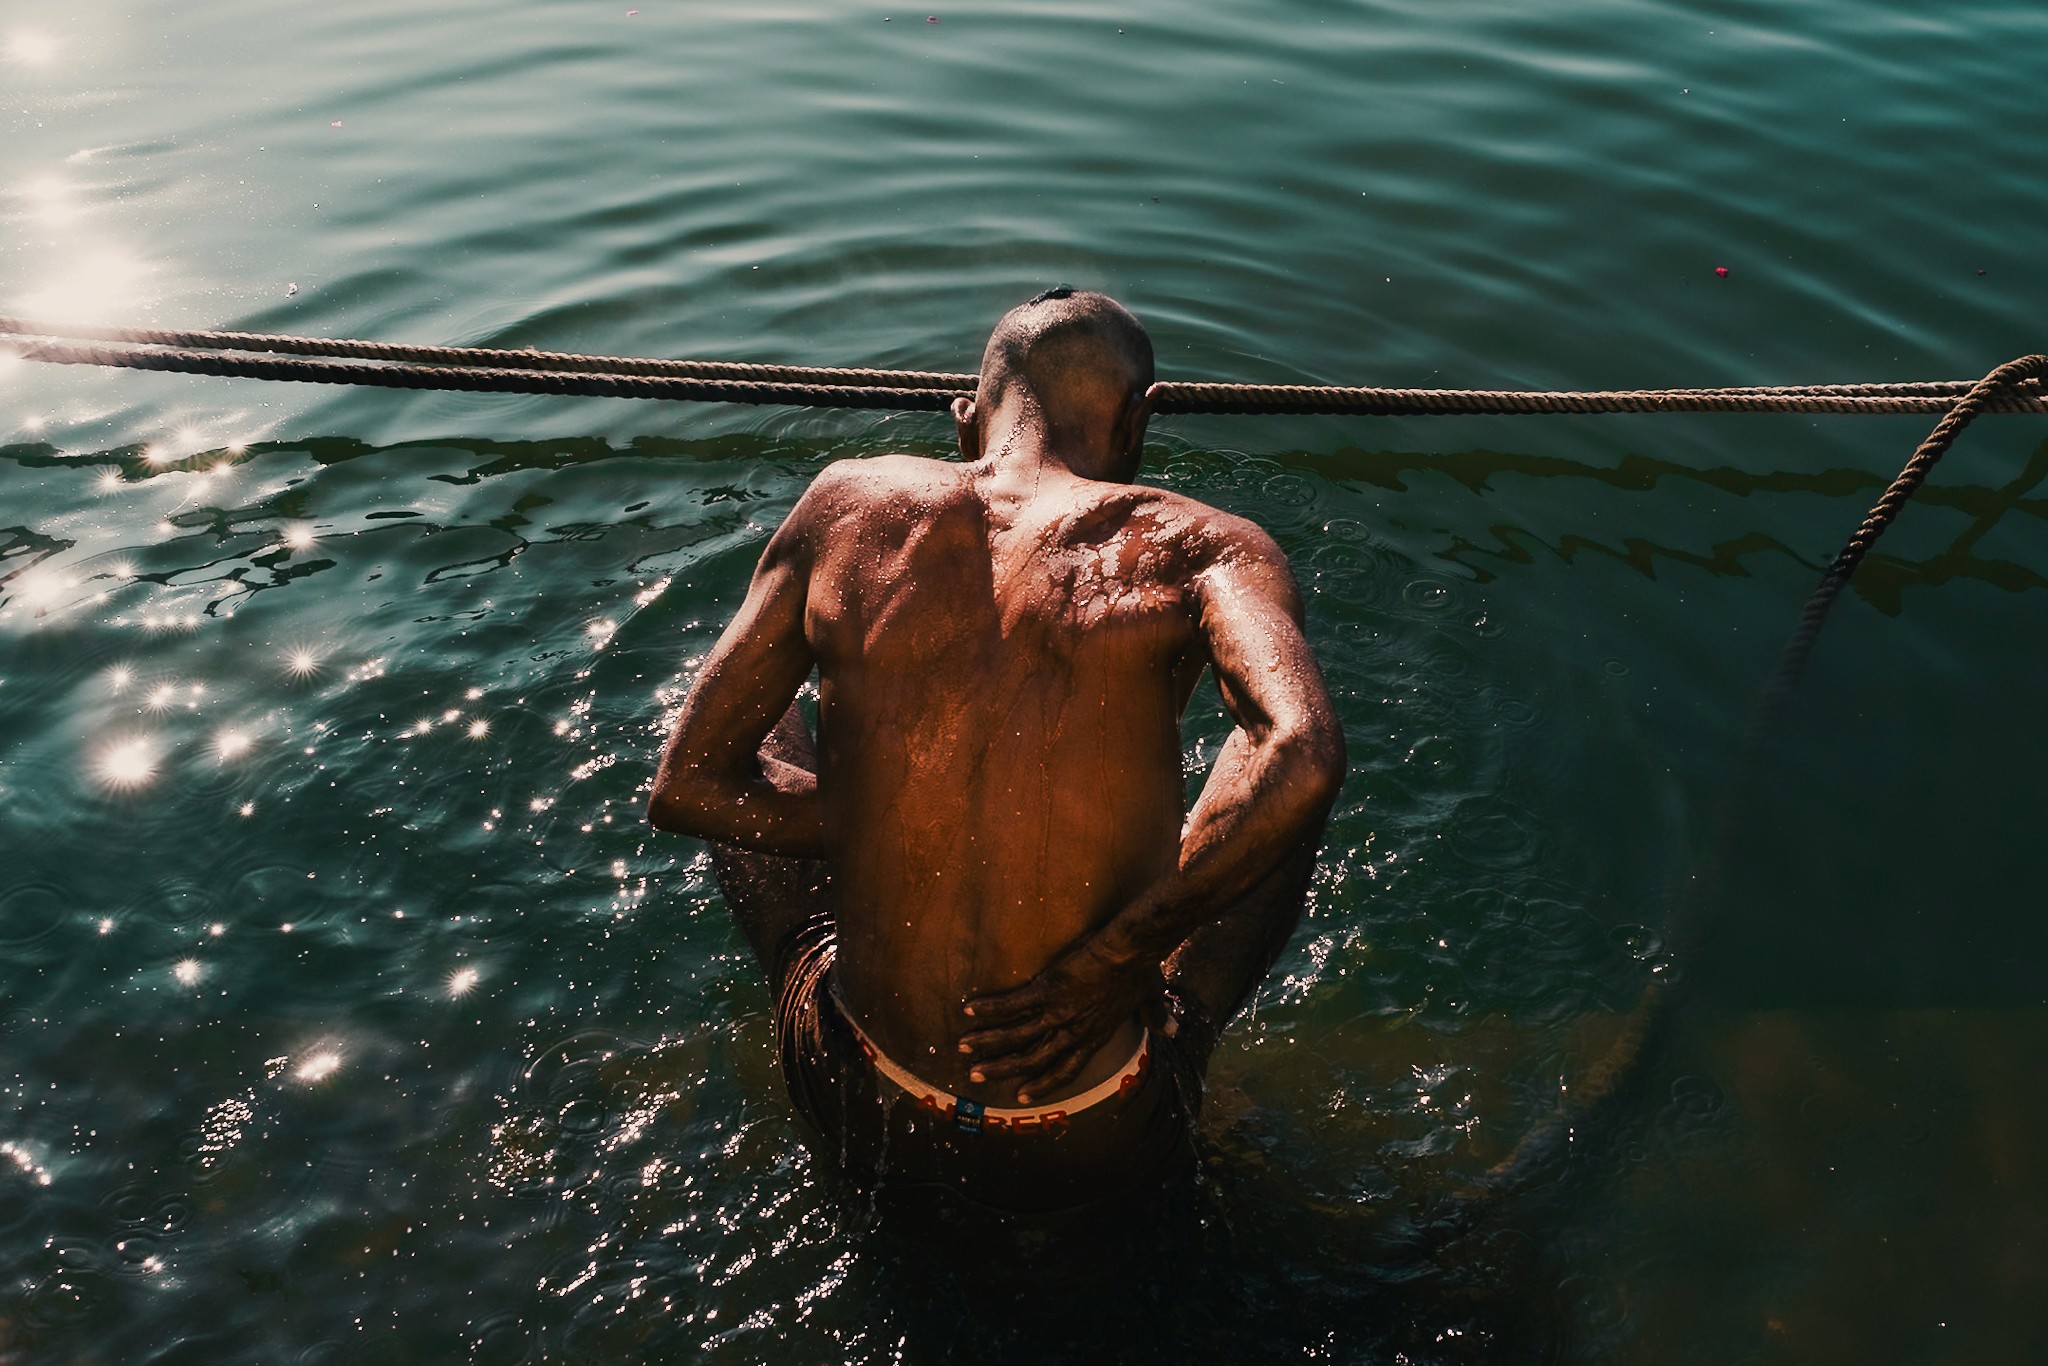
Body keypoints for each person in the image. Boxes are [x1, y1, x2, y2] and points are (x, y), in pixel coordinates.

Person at [649, 288, 1345, 1215]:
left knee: (757, 717)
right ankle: (1183, 1029)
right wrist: (1110, 967)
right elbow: (1302, 752)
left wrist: (894, 818)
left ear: (964, 420)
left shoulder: (845, 500)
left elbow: (686, 787)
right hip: (1093, 1118)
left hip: (861, 1085)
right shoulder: (1202, 543)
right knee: (1276, 790)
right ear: (1143, 414)